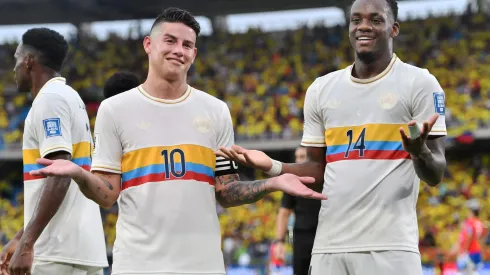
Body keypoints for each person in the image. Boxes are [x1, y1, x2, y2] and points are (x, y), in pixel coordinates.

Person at [28, 7, 326, 275]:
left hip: (203, 265)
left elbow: (226, 191)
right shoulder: (115, 110)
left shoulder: (216, 111)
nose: (178, 50)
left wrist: (272, 183)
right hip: (138, 265)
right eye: (169, 41)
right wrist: (80, 174)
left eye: (187, 45)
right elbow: (108, 195)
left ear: (194, 54)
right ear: (149, 44)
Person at [216, 0, 447, 274]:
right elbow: (317, 169)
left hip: (391, 246)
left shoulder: (420, 83)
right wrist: (272, 165)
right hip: (328, 247)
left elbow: (435, 174)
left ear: (393, 28)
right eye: (356, 19)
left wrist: (418, 151)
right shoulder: (321, 90)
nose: (363, 26)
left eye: (375, 19)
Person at [0, 28, 108, 275]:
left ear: (28, 61)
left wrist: (27, 244)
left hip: (58, 251)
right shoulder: (70, 97)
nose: (14, 68)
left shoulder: (50, 99)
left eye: (17, 59)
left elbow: (60, 174)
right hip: (75, 248)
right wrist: (20, 236)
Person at [272, 146, 320, 275]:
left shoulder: (325, 178)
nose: (298, 161)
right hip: (301, 237)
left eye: (302, 157)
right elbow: (284, 213)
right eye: (297, 157)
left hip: (323, 236)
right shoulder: (291, 182)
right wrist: (279, 242)